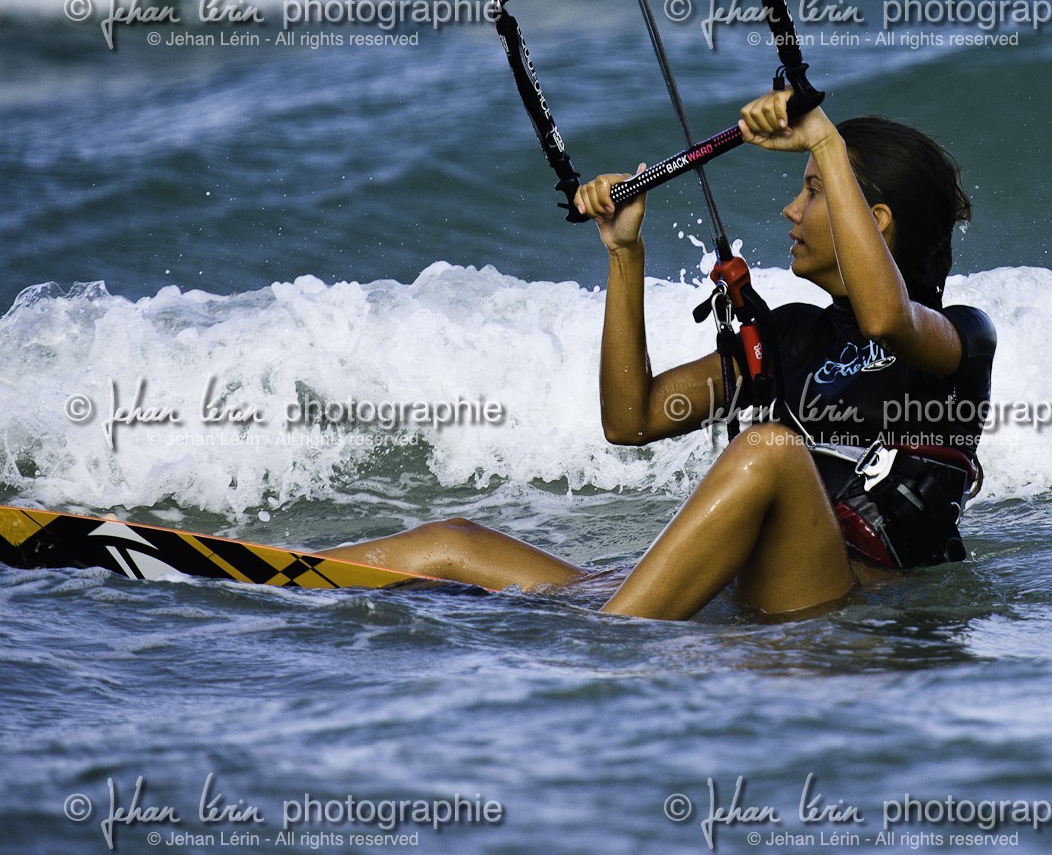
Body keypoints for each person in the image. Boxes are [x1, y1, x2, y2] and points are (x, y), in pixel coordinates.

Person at [323, 90, 994, 620]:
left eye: (814, 188)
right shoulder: (792, 336)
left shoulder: (958, 338)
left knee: (770, 449)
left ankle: (606, 650)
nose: (792, 209)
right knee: (454, 543)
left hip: (843, 613)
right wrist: (624, 254)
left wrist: (825, 138)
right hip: (742, 594)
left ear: (873, 218)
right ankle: (278, 578)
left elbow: (886, 315)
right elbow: (632, 418)